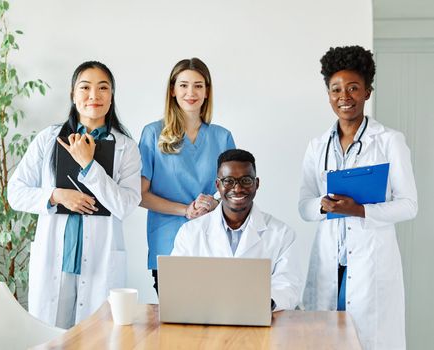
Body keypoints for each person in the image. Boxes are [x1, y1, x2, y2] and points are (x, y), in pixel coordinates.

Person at [298, 46, 417, 349]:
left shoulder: (389, 141)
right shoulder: (317, 146)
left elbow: (409, 205)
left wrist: (360, 210)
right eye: (336, 89)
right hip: (330, 263)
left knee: (365, 342)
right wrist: (321, 206)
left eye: (353, 88)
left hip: (370, 265)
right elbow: (304, 205)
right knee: (326, 340)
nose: (344, 96)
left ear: (367, 92)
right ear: (328, 95)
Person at [8, 61, 142, 328]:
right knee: (49, 338)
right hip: (55, 260)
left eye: (103, 88)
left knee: (98, 340)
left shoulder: (126, 147)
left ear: (112, 96)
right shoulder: (49, 139)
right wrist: (56, 196)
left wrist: (89, 166)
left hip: (100, 263)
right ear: (72, 94)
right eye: (85, 87)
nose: (94, 96)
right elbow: (16, 193)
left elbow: (126, 205)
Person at [139, 58, 235, 294]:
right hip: (168, 240)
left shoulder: (222, 137)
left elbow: (236, 191)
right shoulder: (152, 134)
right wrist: (185, 210)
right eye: (183, 85)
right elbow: (140, 195)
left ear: (207, 92)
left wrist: (214, 202)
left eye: (198, 85)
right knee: (175, 322)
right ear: (172, 90)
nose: (190, 92)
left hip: (213, 241)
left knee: (215, 322)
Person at [172, 149, 302, 311]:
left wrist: (262, 303)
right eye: (228, 181)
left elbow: (288, 285)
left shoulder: (282, 233)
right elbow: (178, 283)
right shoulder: (191, 232)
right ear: (218, 185)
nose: (238, 188)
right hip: (206, 321)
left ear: (257, 184)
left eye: (246, 180)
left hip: (262, 322)